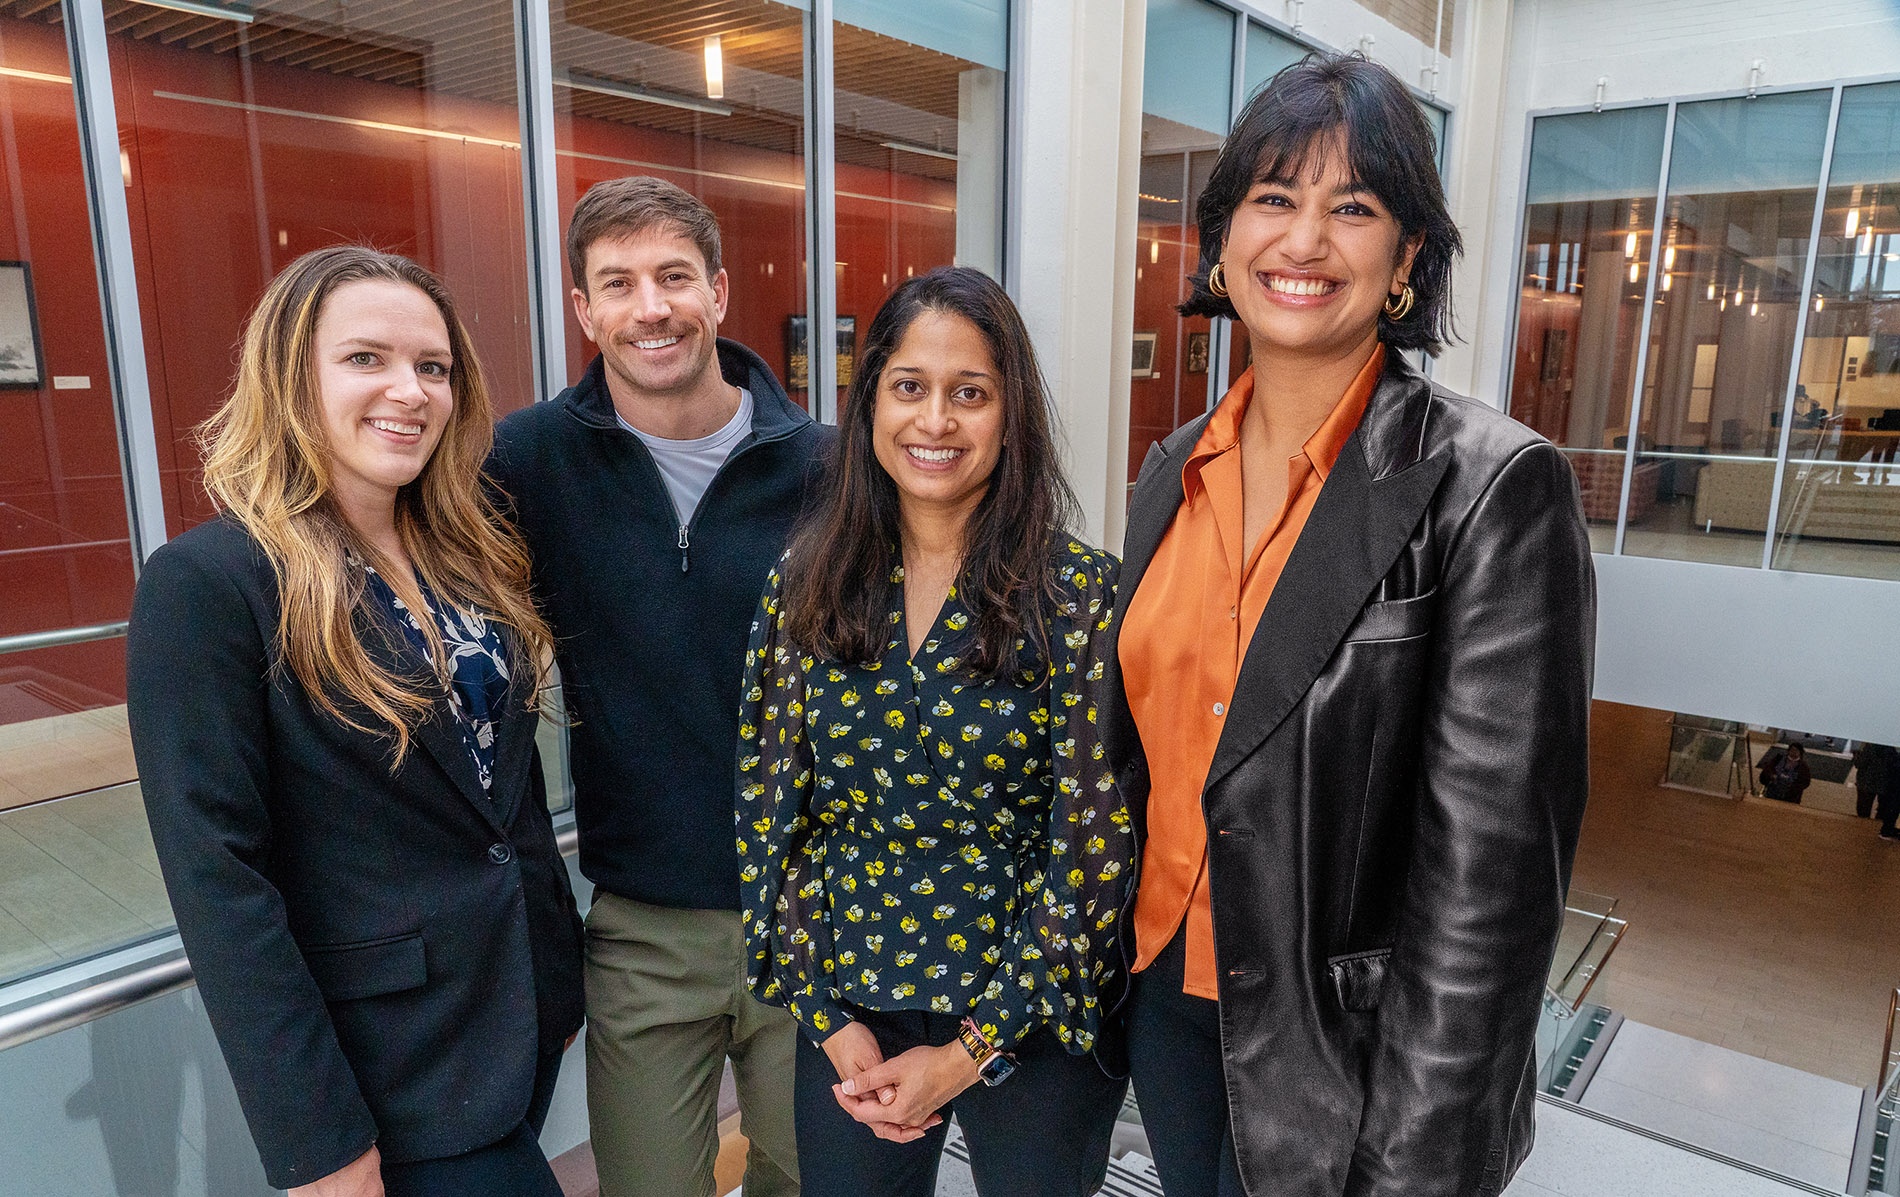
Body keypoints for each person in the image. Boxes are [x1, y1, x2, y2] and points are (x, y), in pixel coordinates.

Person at [1102, 53, 1596, 1197]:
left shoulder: (1493, 488)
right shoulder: (1173, 466)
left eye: (1353, 208)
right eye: (1272, 200)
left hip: (1345, 1062)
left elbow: (1490, 895)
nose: (1305, 241)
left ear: (1406, 259)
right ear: (1222, 239)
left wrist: (1419, 1162)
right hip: (1169, 1009)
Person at [126, 246, 585, 1197]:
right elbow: (221, 887)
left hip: (514, 1021)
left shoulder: (467, 554)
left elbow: (501, 795)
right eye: (365, 358)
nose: (408, 391)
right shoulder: (213, 584)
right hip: (382, 1076)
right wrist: (316, 1144)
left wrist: (555, 965)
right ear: (293, 377)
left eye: (433, 366)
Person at [738, 266, 1132, 1197]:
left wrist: (969, 1050)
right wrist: (829, 1019)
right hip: (853, 1010)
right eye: (909, 387)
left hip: (1031, 1014)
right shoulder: (804, 588)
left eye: (971, 394)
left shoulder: (1081, 597)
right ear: (870, 399)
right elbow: (770, 823)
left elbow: (1095, 847)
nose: (936, 421)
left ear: (1011, 415)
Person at [488, 176, 829, 1197]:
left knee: (812, 1176)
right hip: (641, 924)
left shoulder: (828, 466)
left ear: (718, 291)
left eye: (674, 276)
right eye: (619, 284)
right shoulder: (526, 461)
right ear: (585, 311)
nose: (652, 308)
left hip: (812, 906)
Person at [1851, 741, 1887, 818]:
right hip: (1887, 781)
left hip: (1866, 780)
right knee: (1884, 810)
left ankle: (1863, 827)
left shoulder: (1869, 744)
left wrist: (1856, 754)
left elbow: (1859, 763)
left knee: (1863, 809)